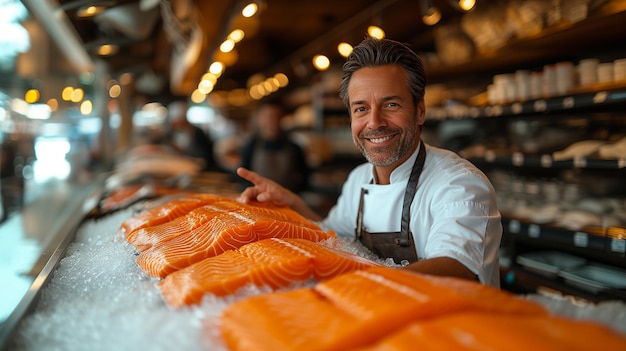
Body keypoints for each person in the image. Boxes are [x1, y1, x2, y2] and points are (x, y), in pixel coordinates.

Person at [236, 37, 502, 287]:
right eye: (361, 109)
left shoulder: (460, 183)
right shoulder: (359, 179)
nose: (374, 123)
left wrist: (354, 287)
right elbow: (335, 238)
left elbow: (457, 267)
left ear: (419, 110)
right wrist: (292, 204)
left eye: (391, 105)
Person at [239, 101, 310, 194]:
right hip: (258, 199)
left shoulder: (294, 148)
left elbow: (305, 177)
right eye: (268, 116)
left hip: (287, 200)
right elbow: (242, 178)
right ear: (260, 119)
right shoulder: (250, 147)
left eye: (276, 116)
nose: (273, 120)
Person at [166, 100, 220, 172]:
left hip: (206, 171)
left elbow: (204, 159)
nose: (174, 124)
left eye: (176, 121)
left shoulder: (197, 133)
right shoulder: (177, 133)